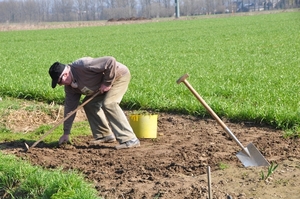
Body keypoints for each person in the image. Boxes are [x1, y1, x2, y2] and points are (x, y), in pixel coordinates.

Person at [48, 56, 140, 150]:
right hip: (101, 86)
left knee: (109, 103)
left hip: (118, 77)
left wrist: (107, 82)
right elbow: (70, 109)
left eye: (59, 81)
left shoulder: (83, 65)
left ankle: (130, 139)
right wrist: (66, 133)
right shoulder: (70, 88)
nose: (60, 85)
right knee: (89, 104)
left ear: (65, 74)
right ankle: (104, 135)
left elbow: (110, 61)